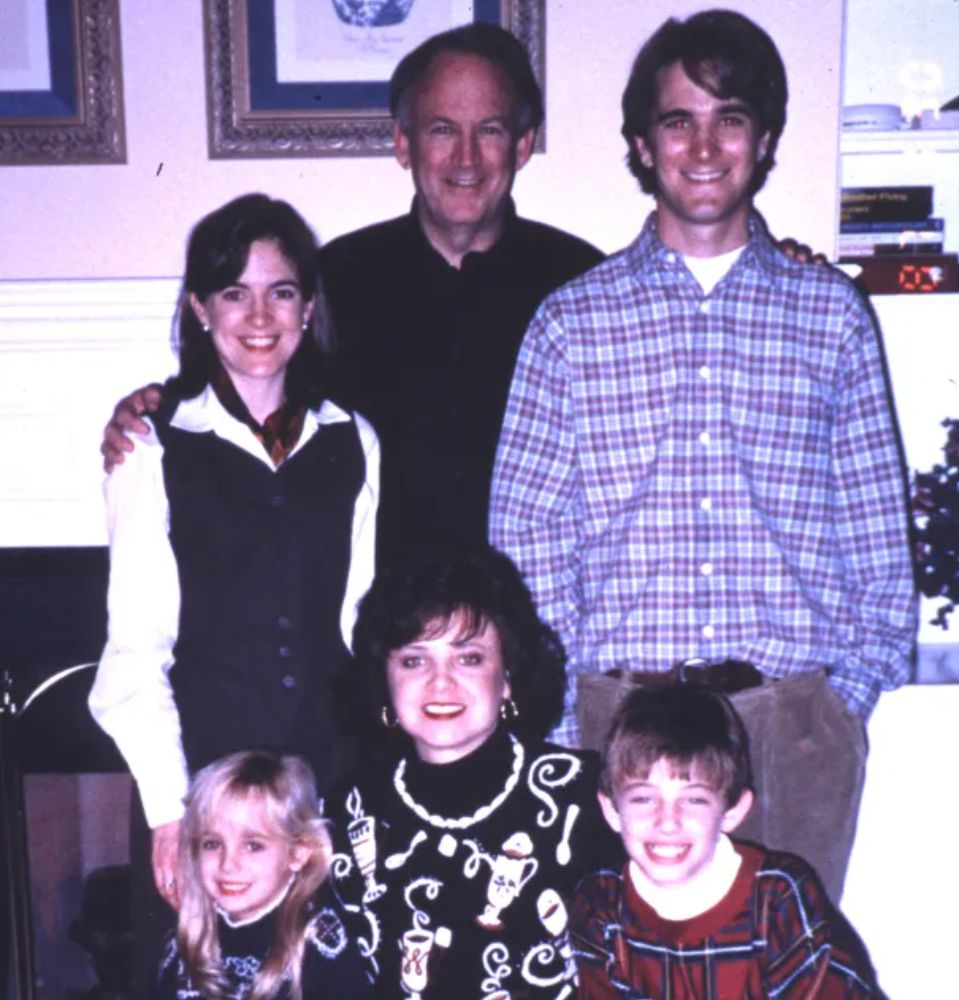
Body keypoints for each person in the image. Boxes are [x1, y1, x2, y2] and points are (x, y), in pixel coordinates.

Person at [489, 10, 916, 903]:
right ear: (643, 146)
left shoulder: (830, 316)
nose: (704, 144)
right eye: (678, 120)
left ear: (763, 141)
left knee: (783, 974)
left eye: (730, 117)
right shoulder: (572, 324)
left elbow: (877, 533)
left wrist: (841, 706)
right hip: (624, 725)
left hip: (790, 722)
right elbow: (524, 538)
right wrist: (575, 719)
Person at [99, 24, 603, 561]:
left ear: (522, 145)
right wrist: (155, 409)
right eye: (441, 130)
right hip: (368, 620)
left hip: (528, 613)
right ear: (403, 144)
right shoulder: (336, 276)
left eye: (491, 131)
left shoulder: (582, 285)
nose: (466, 159)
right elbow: (252, 392)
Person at [88, 194, 379, 979]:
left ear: (308, 306)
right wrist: (169, 814)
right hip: (201, 794)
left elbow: (353, 619)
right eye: (232, 292)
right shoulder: (152, 446)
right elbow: (134, 644)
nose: (258, 314)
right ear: (199, 308)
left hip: (316, 793)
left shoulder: (354, 440)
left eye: (281, 291)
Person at [326, 542, 621, 998]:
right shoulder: (350, 807)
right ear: (383, 678)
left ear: (507, 676)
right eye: (413, 660)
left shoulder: (588, 797)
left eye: (468, 658)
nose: (439, 682)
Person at [570, 685, 883, 999]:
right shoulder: (600, 903)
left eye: (693, 800)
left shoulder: (777, 896)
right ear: (611, 810)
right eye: (643, 799)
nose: (667, 821)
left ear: (733, 811)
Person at [156, 749, 372, 998]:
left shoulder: (320, 942)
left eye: (253, 846)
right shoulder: (189, 933)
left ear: (298, 852)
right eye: (212, 844)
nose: (228, 865)